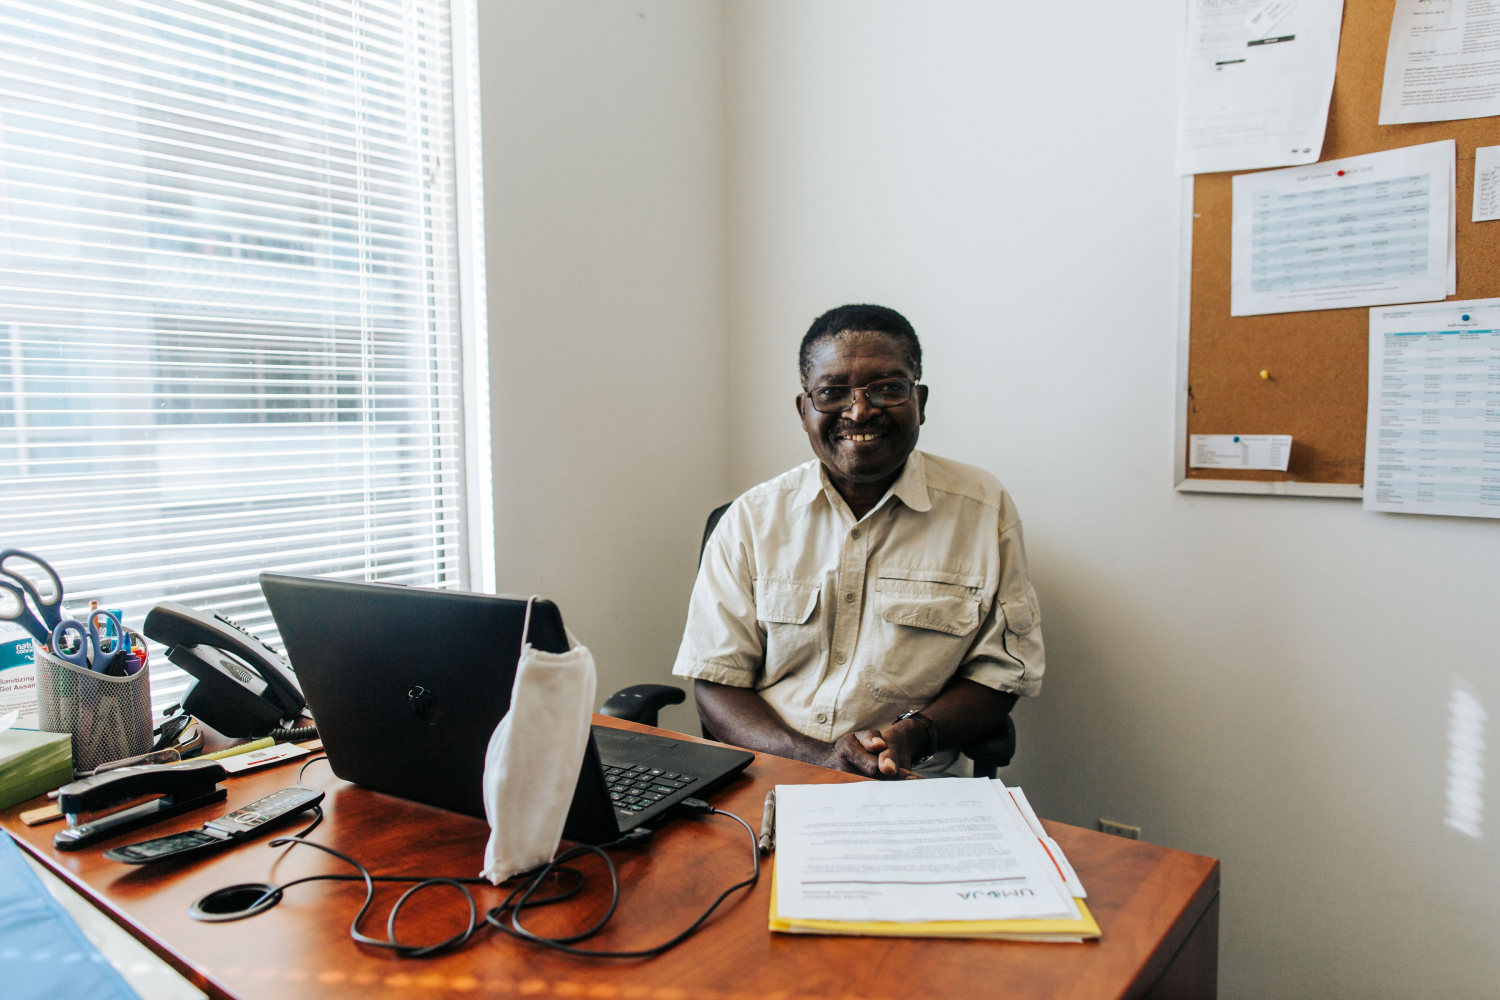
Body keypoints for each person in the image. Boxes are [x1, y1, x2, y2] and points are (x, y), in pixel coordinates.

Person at [671, 304, 1044, 778]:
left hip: (910, 781)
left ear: (920, 401)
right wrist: (816, 758)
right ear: (805, 410)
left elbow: (1001, 672)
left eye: (888, 388)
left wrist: (918, 733)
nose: (860, 410)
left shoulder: (984, 512)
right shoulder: (751, 519)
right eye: (832, 392)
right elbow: (716, 683)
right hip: (770, 775)